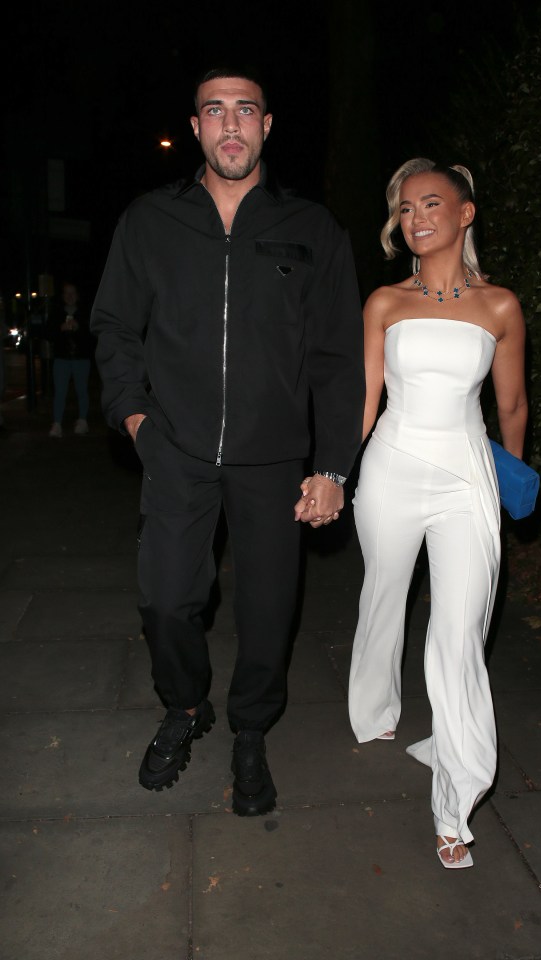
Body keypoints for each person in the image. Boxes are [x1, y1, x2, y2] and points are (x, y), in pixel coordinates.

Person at [90, 67, 364, 816]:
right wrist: (136, 418)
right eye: (216, 111)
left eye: (246, 110)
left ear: (267, 127)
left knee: (270, 607)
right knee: (166, 602)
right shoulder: (150, 220)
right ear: (198, 126)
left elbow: (340, 358)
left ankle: (251, 728)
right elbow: (113, 325)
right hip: (174, 449)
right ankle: (185, 708)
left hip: (275, 458)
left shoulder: (312, 229)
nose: (232, 124)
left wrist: (334, 466)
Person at [347, 158, 527, 868]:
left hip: (466, 476)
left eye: (430, 203)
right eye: (404, 208)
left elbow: (510, 405)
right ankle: (374, 710)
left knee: (458, 633)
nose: (415, 217)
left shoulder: (501, 306)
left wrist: (512, 481)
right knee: (384, 594)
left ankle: (455, 803)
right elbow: (366, 399)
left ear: (465, 213)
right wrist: (334, 472)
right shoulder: (385, 302)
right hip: (391, 465)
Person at [47, 282, 93, 437]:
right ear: (62, 296)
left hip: (81, 358)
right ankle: (57, 424)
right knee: (60, 392)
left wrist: (79, 328)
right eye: (66, 293)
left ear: (77, 295)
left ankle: (82, 421)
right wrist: (61, 328)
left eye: (72, 293)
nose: (70, 296)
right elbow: (48, 333)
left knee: (82, 391)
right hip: (62, 358)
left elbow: (93, 335)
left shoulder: (85, 312)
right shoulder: (56, 312)